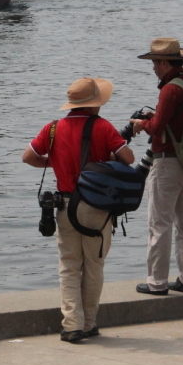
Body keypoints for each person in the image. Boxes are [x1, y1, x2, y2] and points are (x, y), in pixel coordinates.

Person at [22, 77, 134, 343]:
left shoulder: (52, 128)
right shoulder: (104, 127)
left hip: (64, 205)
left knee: (69, 266)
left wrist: (56, 163)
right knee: (93, 265)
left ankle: (71, 324)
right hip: (97, 207)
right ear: (95, 104)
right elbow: (128, 159)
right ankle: (88, 324)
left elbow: (28, 157)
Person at [130, 38, 183, 296]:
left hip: (167, 164)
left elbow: (159, 128)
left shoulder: (169, 89)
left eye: (154, 63)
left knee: (159, 224)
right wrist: (156, 118)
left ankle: (157, 283)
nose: (152, 68)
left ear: (163, 62)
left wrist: (141, 124)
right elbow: (182, 121)